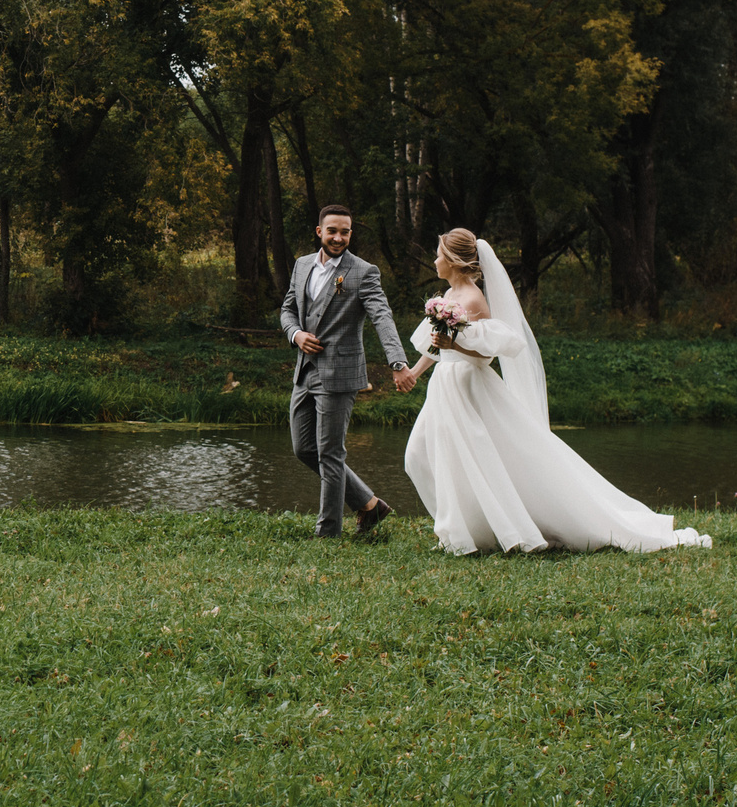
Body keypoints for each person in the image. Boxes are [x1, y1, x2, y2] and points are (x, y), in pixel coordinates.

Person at [399, 228, 710, 556]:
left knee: (482, 459)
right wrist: (415, 372)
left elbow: (489, 353)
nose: (434, 261)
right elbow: (437, 346)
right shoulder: (446, 298)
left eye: (438, 255)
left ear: (452, 260)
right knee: (421, 456)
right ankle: (462, 529)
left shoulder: (474, 300)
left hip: (470, 386)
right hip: (444, 386)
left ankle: (477, 532)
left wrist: (456, 343)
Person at [278, 205, 412, 540]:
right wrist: (296, 334)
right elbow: (288, 309)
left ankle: (328, 533)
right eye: (333, 231)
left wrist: (397, 362)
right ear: (319, 231)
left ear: (351, 234)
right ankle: (369, 505)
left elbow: (382, 316)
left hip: (340, 375)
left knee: (330, 453)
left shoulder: (364, 272)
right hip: (305, 371)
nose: (339, 238)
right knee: (303, 448)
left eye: (346, 232)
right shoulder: (301, 265)